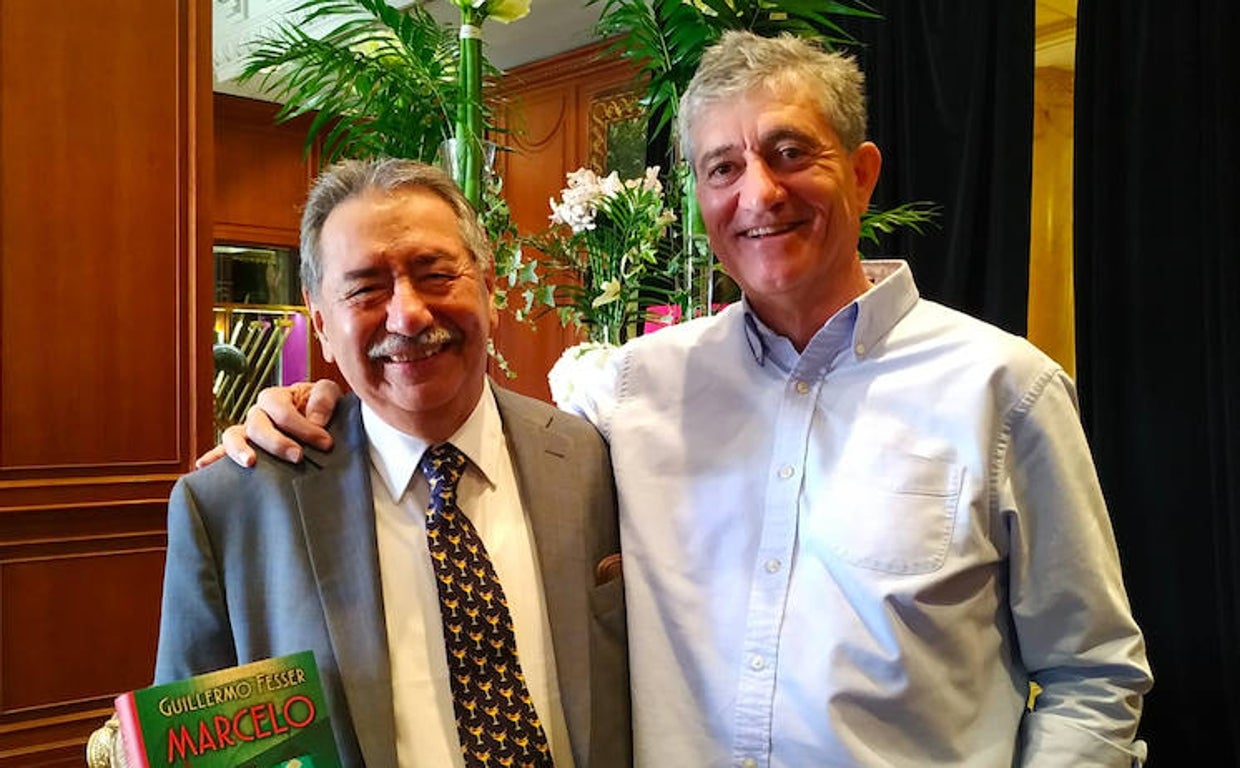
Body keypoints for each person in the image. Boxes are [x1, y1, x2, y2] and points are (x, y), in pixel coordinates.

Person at [212, 32, 1152, 767]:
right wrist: (291, 408)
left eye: (791, 151)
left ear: (861, 172)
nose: (760, 192)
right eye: (723, 167)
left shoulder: (1005, 390)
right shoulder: (627, 391)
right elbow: (436, 395)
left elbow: (1093, 673)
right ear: (701, 198)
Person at [108, 158, 629, 768]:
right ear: (321, 322)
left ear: (489, 289)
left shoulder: (591, 457)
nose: (407, 315)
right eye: (365, 289)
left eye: (435, 274)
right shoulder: (233, 507)